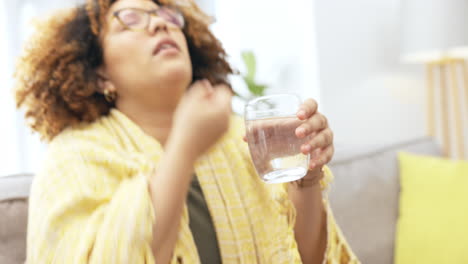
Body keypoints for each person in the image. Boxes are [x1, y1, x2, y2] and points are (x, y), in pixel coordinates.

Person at [14, 0, 359, 263]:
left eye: (168, 19)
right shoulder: (71, 158)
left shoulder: (240, 140)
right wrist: (184, 148)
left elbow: (310, 256)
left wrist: (307, 178)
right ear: (99, 74)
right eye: (129, 20)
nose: (159, 26)